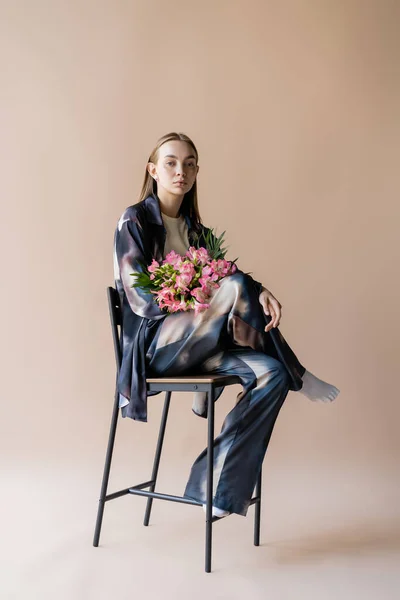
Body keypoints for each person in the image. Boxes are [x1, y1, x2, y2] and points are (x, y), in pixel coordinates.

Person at [113, 132, 340, 519]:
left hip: (204, 346)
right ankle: (298, 371)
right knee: (234, 287)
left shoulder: (195, 230)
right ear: (153, 170)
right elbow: (140, 300)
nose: (179, 171)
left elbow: (224, 273)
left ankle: (213, 487)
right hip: (156, 350)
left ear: (197, 172)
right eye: (170, 162)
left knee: (271, 375)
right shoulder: (134, 221)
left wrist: (258, 288)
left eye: (188, 164)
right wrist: (199, 292)